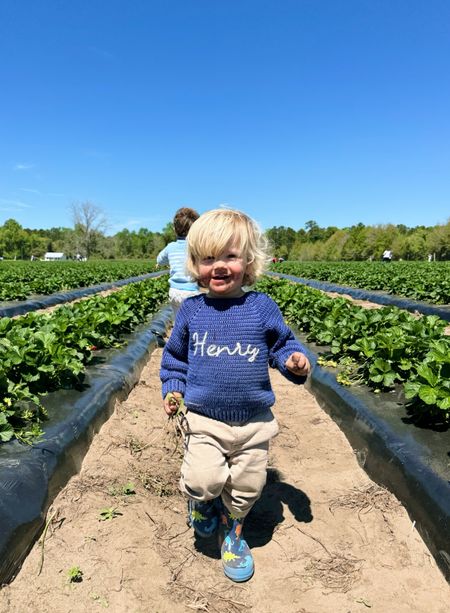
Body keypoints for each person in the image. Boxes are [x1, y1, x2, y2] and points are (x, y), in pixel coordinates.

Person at [159, 208, 311, 582]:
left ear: (249, 261)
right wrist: (173, 389)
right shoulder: (193, 311)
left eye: (230, 256)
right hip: (205, 418)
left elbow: (281, 346)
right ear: (194, 264)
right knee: (202, 480)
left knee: (248, 489)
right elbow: (175, 358)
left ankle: (234, 532)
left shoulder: (260, 307)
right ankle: (201, 503)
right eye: (208, 258)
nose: (219, 266)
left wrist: (294, 362)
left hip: (254, 422)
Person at [157, 207, 200, 315]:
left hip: (175, 292)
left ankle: (179, 331)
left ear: (174, 229)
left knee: (178, 319)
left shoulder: (170, 247)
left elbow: (160, 260)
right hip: (192, 292)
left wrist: (162, 263)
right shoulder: (197, 247)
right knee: (193, 320)